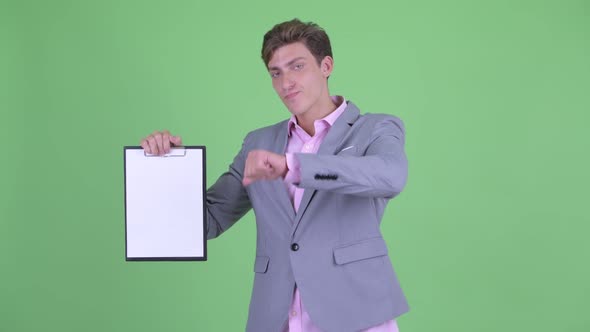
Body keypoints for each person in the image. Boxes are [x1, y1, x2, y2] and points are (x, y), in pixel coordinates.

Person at [141, 18, 409, 332]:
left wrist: (293, 167)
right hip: (276, 319)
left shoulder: (374, 128)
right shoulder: (259, 143)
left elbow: (390, 176)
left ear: (326, 65)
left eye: (297, 66)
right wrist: (169, 167)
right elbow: (208, 220)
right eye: (275, 73)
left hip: (357, 316)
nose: (286, 83)